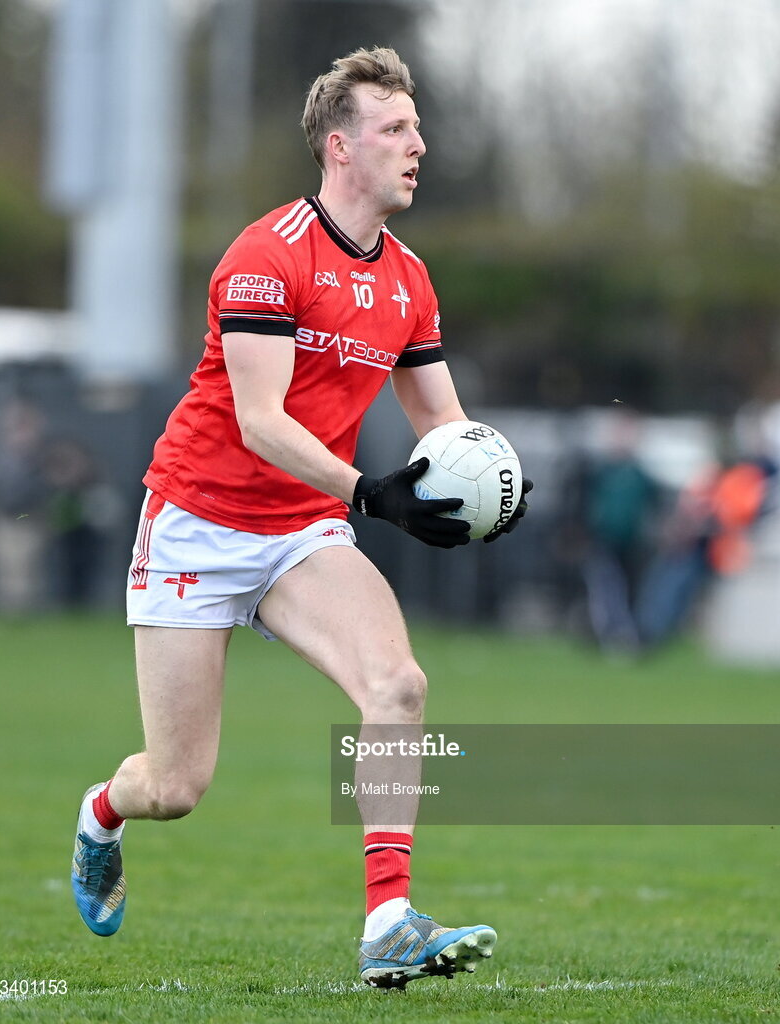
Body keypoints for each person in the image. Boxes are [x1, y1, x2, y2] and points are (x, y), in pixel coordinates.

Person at [71, 46, 528, 989]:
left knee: (398, 685)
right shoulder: (266, 253)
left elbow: (444, 423)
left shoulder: (408, 278)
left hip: (300, 533)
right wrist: (373, 492)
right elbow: (260, 421)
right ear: (338, 147)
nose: (419, 145)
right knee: (177, 786)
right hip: (197, 521)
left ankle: (389, 921)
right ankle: (102, 815)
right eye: (395, 129)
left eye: (416, 127)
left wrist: (494, 493)